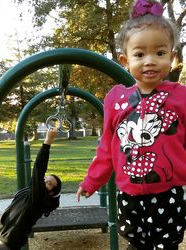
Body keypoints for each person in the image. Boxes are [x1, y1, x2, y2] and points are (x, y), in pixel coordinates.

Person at [77, 0, 186, 249]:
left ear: (173, 57)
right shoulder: (116, 99)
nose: (150, 61)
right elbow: (107, 147)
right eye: (140, 54)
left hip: (167, 193)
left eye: (160, 53)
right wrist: (91, 181)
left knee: (165, 244)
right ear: (125, 61)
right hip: (128, 195)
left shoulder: (181, 96)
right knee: (135, 242)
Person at [0, 129, 62, 250]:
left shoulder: (38, 200)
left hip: (7, 243)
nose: (44, 181)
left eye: (49, 183)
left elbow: (39, 168)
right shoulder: (33, 194)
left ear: (52, 192)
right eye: (45, 179)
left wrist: (48, 141)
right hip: (2, 236)